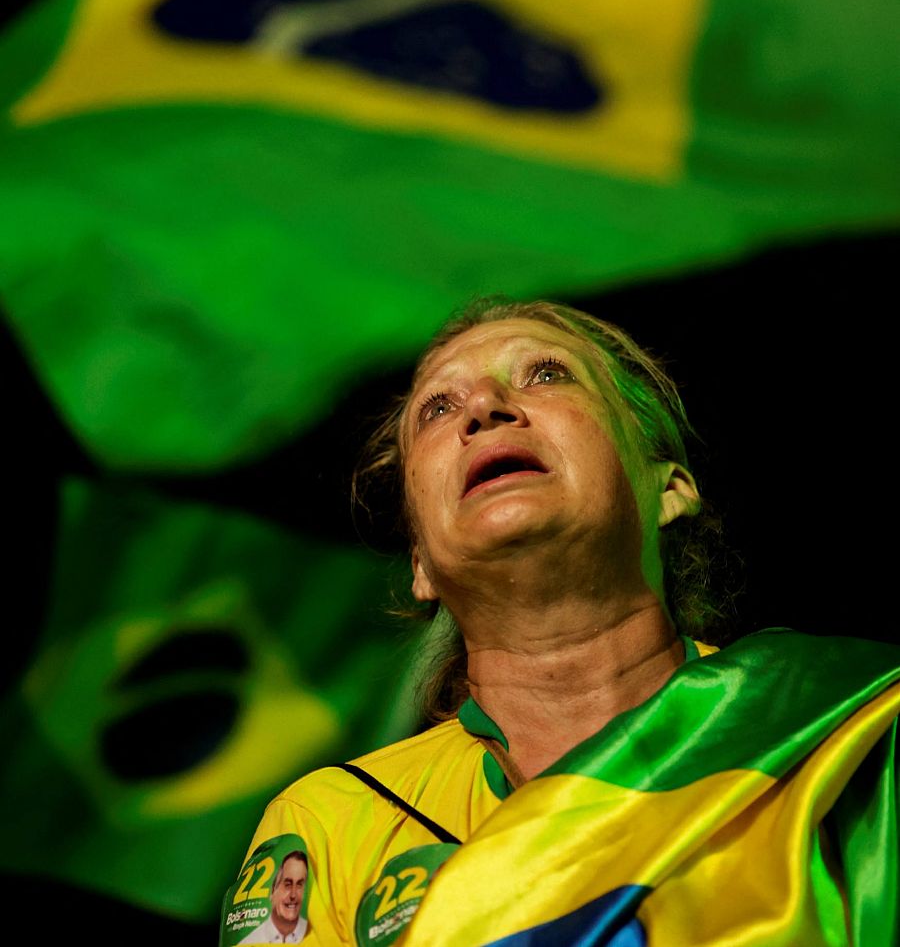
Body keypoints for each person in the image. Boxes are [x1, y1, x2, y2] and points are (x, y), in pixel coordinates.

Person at [222, 297, 900, 946]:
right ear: (420, 563)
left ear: (668, 487)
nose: (484, 408)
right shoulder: (336, 822)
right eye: (438, 408)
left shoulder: (837, 727)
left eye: (547, 375)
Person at [239, 850, 308, 943]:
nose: (293, 895)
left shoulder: (319, 936)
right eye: (287, 884)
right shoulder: (249, 942)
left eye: (299, 884)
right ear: (273, 891)